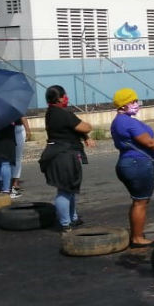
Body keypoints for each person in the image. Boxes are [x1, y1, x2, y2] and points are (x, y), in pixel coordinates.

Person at [110, 88, 154, 248]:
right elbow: (149, 142)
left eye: (136, 101)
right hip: (137, 164)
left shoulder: (120, 121)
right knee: (141, 202)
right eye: (132, 102)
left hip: (130, 161)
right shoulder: (126, 122)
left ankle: (136, 234)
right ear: (122, 106)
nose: (136, 104)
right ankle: (138, 238)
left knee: (138, 201)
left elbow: (137, 144)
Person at [38, 85, 96, 232]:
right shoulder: (63, 114)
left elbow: (71, 130)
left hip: (59, 152)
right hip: (63, 155)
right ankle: (65, 223)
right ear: (59, 98)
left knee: (70, 189)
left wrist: (85, 137)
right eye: (65, 96)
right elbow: (85, 127)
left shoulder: (52, 112)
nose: (67, 98)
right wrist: (87, 129)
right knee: (64, 190)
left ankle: (72, 218)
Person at [10, 116, 31, 197]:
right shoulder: (16, 104)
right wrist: (28, 131)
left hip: (7, 130)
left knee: (9, 160)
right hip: (17, 129)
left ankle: (11, 184)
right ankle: (15, 184)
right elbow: (23, 117)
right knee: (17, 158)